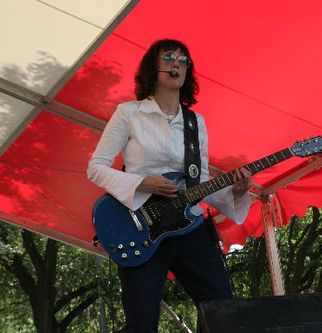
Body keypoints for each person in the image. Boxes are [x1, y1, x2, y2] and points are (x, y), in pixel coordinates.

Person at [87, 39, 251, 333]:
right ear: (153, 67)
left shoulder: (195, 122)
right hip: (141, 227)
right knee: (141, 325)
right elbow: (96, 168)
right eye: (169, 58)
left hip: (190, 230)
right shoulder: (129, 113)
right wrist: (143, 182)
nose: (177, 63)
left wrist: (235, 191)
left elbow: (197, 182)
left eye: (183, 59)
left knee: (224, 313)